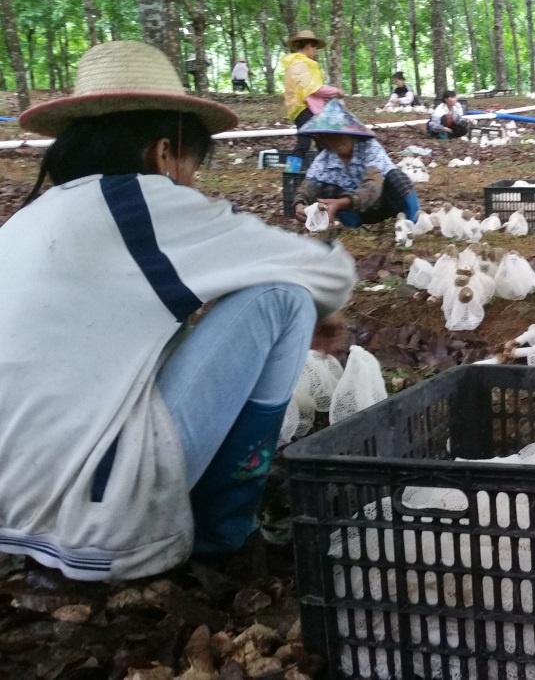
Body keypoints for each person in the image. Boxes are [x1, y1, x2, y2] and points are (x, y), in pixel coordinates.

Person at [2, 41, 356, 580]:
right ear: (164, 152)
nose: (192, 181)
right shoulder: (145, 201)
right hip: (102, 521)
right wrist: (326, 312)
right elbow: (324, 271)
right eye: (192, 166)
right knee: (281, 299)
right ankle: (221, 533)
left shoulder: (30, 220)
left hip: (15, 509)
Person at [291, 99, 421, 228]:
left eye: (340, 135)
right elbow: (309, 185)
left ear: (351, 134)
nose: (336, 141)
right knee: (327, 188)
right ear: (324, 139)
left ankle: (413, 219)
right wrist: (299, 204)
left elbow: (373, 186)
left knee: (396, 176)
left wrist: (342, 203)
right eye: (329, 136)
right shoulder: (324, 160)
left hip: (385, 203)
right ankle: (353, 225)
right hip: (358, 212)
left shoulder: (370, 148)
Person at [281, 29, 343, 168]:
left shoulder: (294, 64)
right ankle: (291, 174)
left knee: (322, 143)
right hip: (305, 109)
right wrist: (336, 91)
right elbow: (315, 89)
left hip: (299, 109)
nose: (315, 50)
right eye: (315, 47)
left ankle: (325, 174)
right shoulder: (302, 65)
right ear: (309, 45)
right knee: (305, 144)